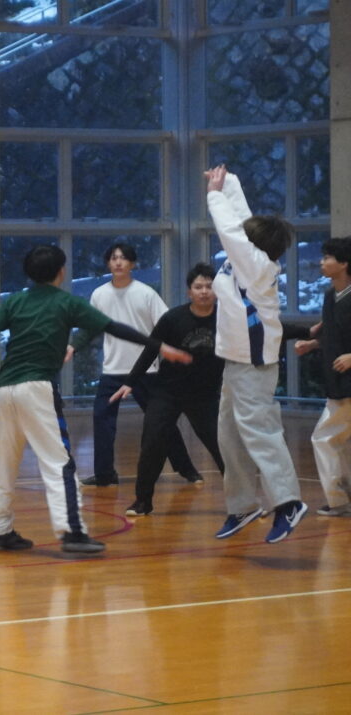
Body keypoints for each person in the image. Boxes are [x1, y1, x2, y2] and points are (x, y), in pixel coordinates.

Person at [0, 244, 190, 554]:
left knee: (5, 462)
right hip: (37, 388)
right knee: (59, 462)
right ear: (61, 272)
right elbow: (114, 328)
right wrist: (160, 346)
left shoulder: (15, 301)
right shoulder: (67, 303)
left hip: (5, 389)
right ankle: (72, 532)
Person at [204, 165, 305, 542]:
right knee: (229, 437)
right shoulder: (247, 257)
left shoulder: (257, 265)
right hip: (235, 362)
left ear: (254, 246)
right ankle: (242, 506)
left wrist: (214, 196)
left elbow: (231, 230)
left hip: (254, 364)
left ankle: (289, 502)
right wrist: (227, 182)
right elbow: (242, 220)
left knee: (260, 433)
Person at [70, 242, 200, 487]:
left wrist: (177, 351)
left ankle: (187, 469)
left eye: (123, 258)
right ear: (108, 263)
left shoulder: (146, 293)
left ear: (132, 264)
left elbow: (167, 324)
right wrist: (73, 346)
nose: (118, 262)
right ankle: (105, 474)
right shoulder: (99, 294)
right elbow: (90, 326)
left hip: (145, 371)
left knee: (162, 421)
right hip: (112, 370)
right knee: (102, 419)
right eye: (113, 258)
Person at [114, 264, 226, 517]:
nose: (204, 291)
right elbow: (151, 349)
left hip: (205, 395)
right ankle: (142, 502)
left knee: (222, 446)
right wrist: (130, 381)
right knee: (152, 443)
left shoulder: (226, 319)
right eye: (198, 287)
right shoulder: (173, 318)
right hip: (167, 392)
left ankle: (243, 503)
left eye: (209, 287)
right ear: (189, 292)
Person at [293, 236, 351, 517]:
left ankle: (339, 500)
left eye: (327, 257)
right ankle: (344, 498)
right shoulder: (330, 296)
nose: (321, 262)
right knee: (339, 442)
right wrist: (313, 344)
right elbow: (332, 334)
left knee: (324, 438)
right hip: (337, 382)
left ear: (344, 263)